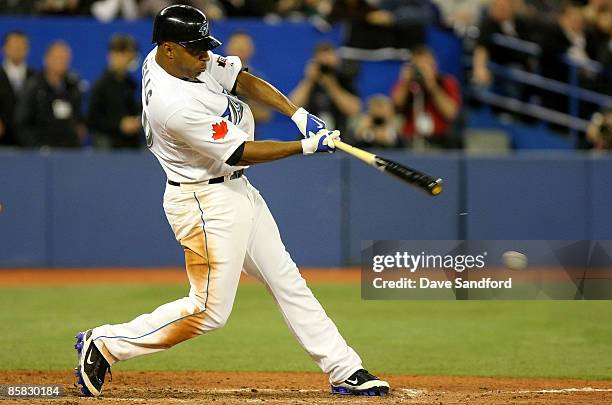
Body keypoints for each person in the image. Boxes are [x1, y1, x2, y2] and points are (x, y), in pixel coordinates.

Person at [73, 4, 389, 399]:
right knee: (208, 312)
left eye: (205, 45)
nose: (205, 55)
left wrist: (297, 112)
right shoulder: (173, 105)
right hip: (204, 202)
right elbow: (240, 151)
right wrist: (306, 146)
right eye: (196, 48)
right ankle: (103, 343)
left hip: (235, 191)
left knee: (287, 280)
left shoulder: (174, 59)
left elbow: (240, 79)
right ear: (169, 49)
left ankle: (344, 368)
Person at [14, 40, 84, 148]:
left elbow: (79, 117)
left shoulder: (73, 86)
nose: (61, 62)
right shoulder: (34, 86)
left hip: (69, 150)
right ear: (46, 59)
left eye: (65, 59)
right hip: (42, 150)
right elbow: (22, 122)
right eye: (58, 58)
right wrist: (35, 146)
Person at [391, 46, 461, 149]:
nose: (421, 71)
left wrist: (432, 86)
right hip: (410, 138)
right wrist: (405, 83)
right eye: (418, 66)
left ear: (435, 65)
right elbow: (395, 105)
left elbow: (451, 113)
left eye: (426, 66)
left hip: (440, 139)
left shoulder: (447, 82)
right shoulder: (407, 83)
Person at [289, 42, 361, 135]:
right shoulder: (310, 82)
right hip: (310, 140)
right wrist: (308, 80)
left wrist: (332, 85)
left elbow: (354, 110)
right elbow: (293, 107)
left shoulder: (344, 80)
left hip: (339, 139)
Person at [88, 34, 142, 149]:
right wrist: (119, 125)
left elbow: (136, 110)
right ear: (114, 55)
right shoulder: (101, 85)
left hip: (131, 143)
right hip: (109, 144)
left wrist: (136, 122)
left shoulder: (131, 84)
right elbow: (93, 119)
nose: (129, 60)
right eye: (126, 55)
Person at [224, 31, 272, 123]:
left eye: (245, 45)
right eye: (237, 44)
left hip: (246, 132)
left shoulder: (257, 79)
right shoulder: (214, 75)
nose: (241, 48)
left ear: (252, 49)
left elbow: (265, 114)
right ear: (227, 47)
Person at [0, 31, 37, 146]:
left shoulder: (35, 77)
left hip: (29, 140)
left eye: (22, 46)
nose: (18, 49)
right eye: (14, 46)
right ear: (4, 49)